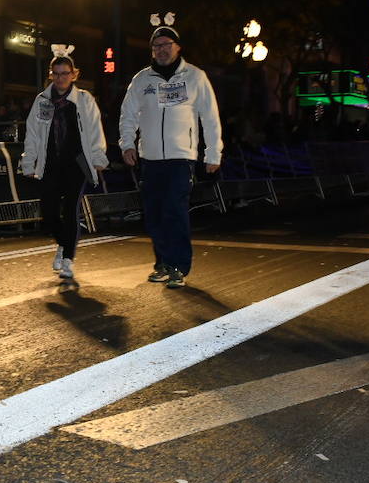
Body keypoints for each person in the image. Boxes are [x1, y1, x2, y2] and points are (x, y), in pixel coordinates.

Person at [119, 20, 222, 288]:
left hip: (181, 157)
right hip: (150, 158)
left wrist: (213, 153)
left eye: (167, 45)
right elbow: (128, 114)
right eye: (157, 45)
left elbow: (210, 117)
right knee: (154, 214)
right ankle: (163, 263)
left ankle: (178, 266)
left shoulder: (195, 76)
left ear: (178, 47)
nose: (162, 49)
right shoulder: (141, 80)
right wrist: (127, 143)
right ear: (151, 50)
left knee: (174, 211)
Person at [20, 54, 108, 285]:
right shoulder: (42, 101)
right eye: (56, 74)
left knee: (70, 210)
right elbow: (32, 134)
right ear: (51, 75)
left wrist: (98, 157)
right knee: (48, 212)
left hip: (76, 163)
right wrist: (29, 162)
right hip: (50, 164)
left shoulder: (84, 100)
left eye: (65, 73)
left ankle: (68, 257)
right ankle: (62, 242)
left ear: (74, 74)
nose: (60, 78)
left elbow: (95, 130)